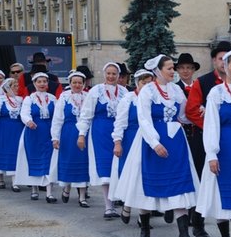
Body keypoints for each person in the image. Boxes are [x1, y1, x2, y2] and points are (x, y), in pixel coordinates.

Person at [115, 55, 199, 237]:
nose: (173, 71)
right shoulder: (148, 91)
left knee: (179, 185)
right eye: (169, 68)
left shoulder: (176, 90)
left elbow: (183, 115)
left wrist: (200, 114)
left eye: (173, 68)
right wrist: (154, 142)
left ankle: (184, 235)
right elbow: (143, 118)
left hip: (176, 140)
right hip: (151, 140)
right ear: (158, 70)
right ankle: (145, 228)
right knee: (148, 185)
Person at [187, 41, 231, 237]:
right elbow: (211, 123)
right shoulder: (216, 93)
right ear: (225, 66)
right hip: (224, 146)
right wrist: (212, 153)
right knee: (222, 192)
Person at [77, 62, 128, 219]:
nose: (111, 76)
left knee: (119, 167)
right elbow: (86, 113)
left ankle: (121, 202)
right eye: (109, 73)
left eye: (114, 74)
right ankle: (108, 206)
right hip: (100, 132)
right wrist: (81, 134)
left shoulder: (124, 92)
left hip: (120, 132)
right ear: (104, 74)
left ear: (119, 76)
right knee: (105, 169)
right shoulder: (96, 91)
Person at [110, 69, 155, 222]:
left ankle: (144, 215)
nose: (147, 86)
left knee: (146, 175)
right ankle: (127, 205)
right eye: (144, 82)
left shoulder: (154, 98)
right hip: (130, 139)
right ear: (137, 83)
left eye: (150, 83)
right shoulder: (128, 99)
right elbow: (120, 122)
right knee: (131, 175)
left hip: (149, 139)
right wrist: (117, 142)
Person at [175, 52, 210, 237]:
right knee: (183, 176)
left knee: (200, 177)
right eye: (182, 68)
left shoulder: (201, 87)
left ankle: (198, 223)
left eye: (189, 68)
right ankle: (180, 211)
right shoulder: (174, 88)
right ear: (178, 70)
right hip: (181, 137)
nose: (186, 71)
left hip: (199, 137)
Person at [14, 72, 58, 202]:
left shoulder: (53, 98)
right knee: (34, 159)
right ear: (34, 84)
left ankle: (49, 193)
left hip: (49, 132)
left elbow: (57, 115)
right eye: (39, 82)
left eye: (44, 81)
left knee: (50, 160)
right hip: (34, 132)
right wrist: (28, 121)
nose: (42, 84)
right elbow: (24, 113)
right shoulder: (29, 99)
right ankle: (34, 189)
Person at [50, 70, 91, 208]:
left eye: (80, 82)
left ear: (84, 84)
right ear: (70, 83)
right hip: (68, 132)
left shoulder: (88, 96)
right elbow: (57, 118)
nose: (77, 85)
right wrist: (55, 137)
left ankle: (83, 196)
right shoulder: (64, 97)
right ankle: (67, 187)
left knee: (83, 162)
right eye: (75, 82)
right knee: (69, 160)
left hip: (85, 133)